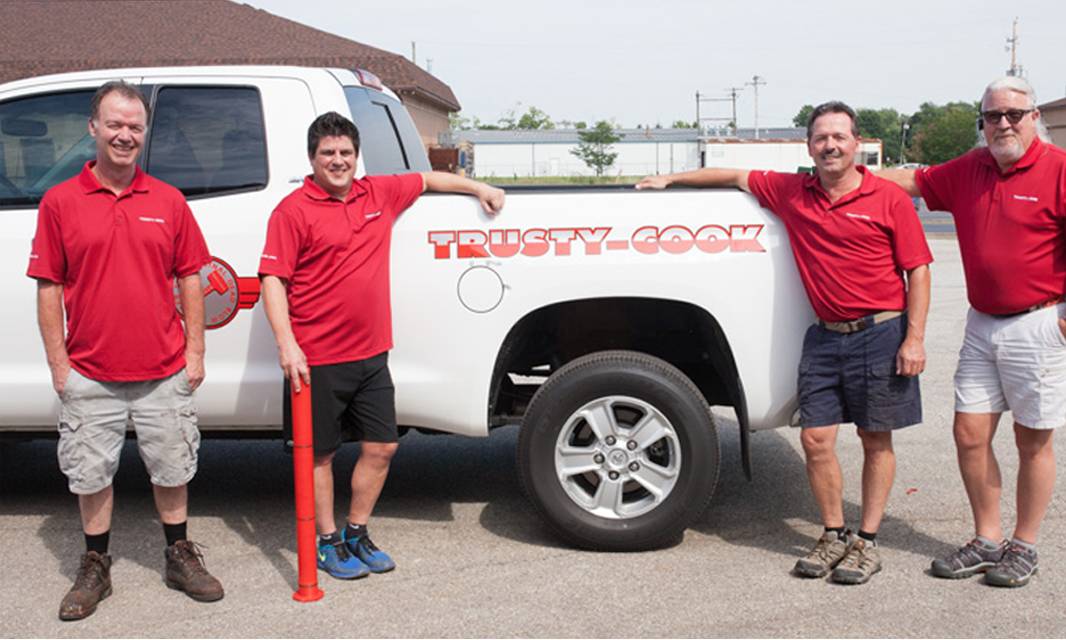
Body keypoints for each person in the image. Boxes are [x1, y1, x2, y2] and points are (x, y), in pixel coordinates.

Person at [637, 101, 931, 585]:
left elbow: (917, 271)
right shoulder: (793, 191)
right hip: (824, 337)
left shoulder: (888, 199)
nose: (830, 145)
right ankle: (834, 533)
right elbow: (733, 176)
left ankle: (867, 542)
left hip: (881, 333)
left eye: (839, 137)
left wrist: (914, 339)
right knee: (816, 439)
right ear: (809, 146)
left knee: (875, 440)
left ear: (856, 143)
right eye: (821, 138)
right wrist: (671, 181)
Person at [259, 112, 505, 580]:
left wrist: (481, 189)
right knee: (319, 456)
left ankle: (356, 531)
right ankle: (327, 541)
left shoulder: (379, 192)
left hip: (372, 354)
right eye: (328, 153)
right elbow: (273, 279)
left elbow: (429, 179)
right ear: (312, 158)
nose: (338, 161)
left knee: (383, 447)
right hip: (317, 359)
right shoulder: (293, 210)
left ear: (357, 156)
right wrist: (287, 344)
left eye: (346, 153)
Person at [27, 81, 223, 621]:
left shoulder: (168, 200)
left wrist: (196, 352)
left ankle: (179, 554)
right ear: (93, 128)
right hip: (90, 372)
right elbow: (48, 286)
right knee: (91, 476)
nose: (124, 135)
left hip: (163, 370)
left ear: (144, 133)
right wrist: (59, 365)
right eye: (114, 124)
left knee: (173, 467)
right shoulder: (60, 202)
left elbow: (190, 278)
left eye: (134, 126)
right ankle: (95, 566)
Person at [880, 76, 1065, 587]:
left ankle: (1023, 546)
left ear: (1034, 118)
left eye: (1013, 114)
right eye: (991, 116)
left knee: (1033, 441)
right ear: (981, 122)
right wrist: (843, 169)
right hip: (982, 324)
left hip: (1038, 323)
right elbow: (914, 182)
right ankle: (987, 539)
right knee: (969, 434)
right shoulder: (971, 169)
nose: (1002, 124)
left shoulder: (1059, 170)